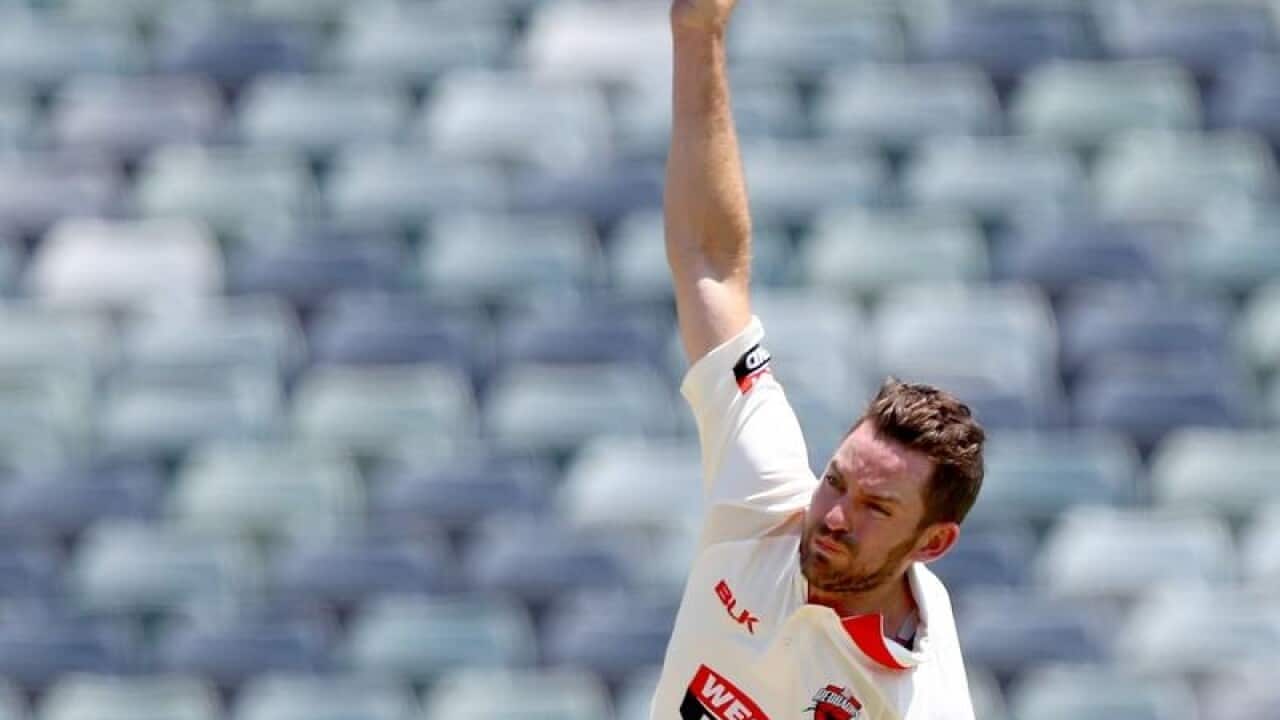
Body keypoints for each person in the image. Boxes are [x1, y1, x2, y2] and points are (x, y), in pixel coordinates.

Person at [650, 1, 987, 718]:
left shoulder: (917, 701)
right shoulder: (766, 502)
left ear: (934, 542)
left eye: (874, 508)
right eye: (837, 481)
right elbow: (710, 265)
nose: (833, 515)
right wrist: (698, 30)